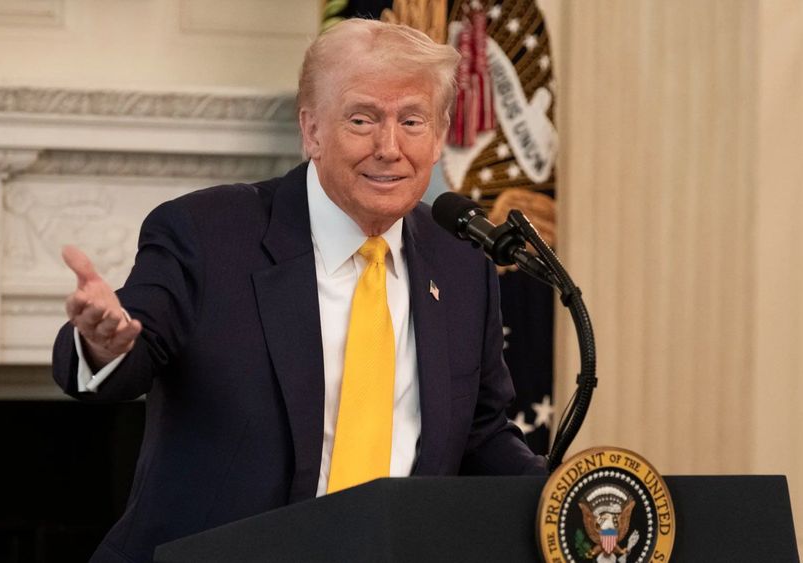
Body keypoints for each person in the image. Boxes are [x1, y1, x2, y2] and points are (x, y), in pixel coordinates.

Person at [52, 18, 547, 563]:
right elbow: (129, 353)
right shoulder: (207, 232)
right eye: (362, 119)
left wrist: (560, 495)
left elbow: (479, 433)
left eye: (412, 120)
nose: (390, 147)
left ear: (438, 135)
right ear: (310, 130)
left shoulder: (460, 262)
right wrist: (104, 343)